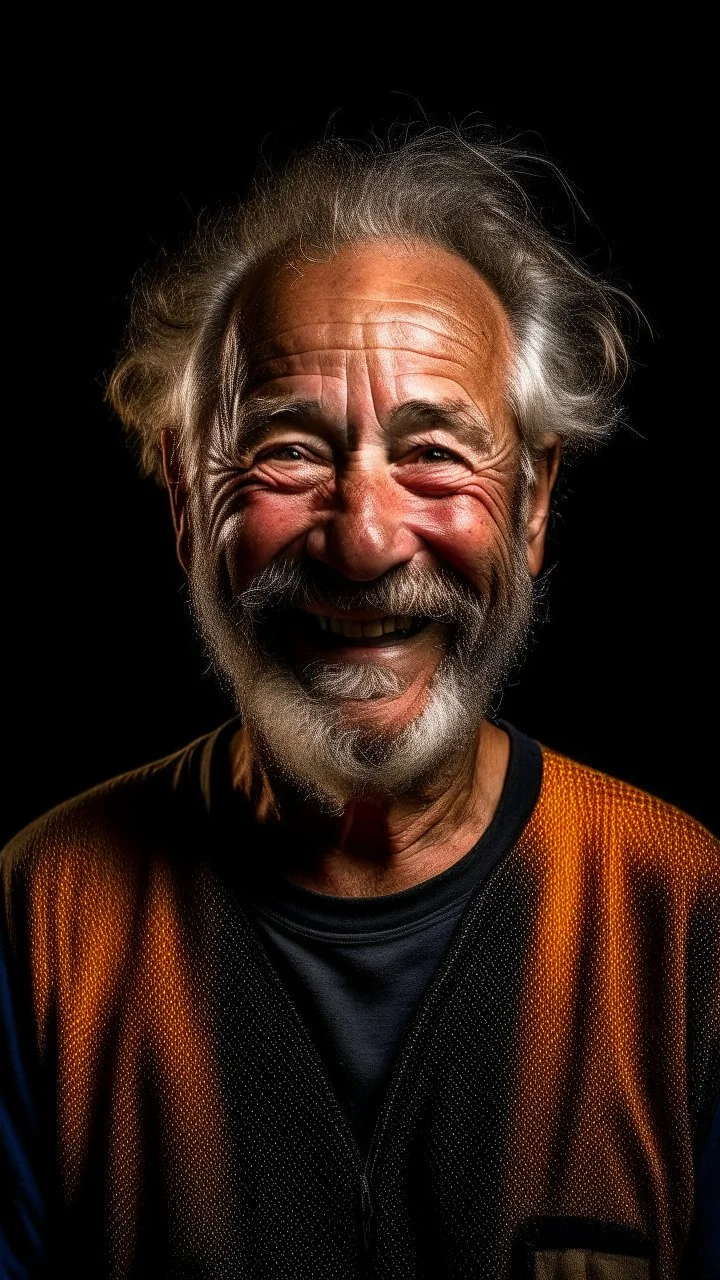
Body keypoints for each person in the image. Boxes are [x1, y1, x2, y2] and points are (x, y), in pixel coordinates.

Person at [1, 130, 717, 1280]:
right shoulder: (42, 915)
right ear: (187, 501)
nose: (367, 539)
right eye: (288, 451)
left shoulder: (685, 913)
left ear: (533, 505)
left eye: (435, 453)